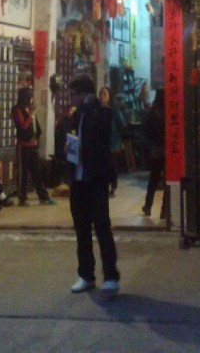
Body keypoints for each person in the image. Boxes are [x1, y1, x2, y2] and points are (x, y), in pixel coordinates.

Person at [67, 75, 120, 294]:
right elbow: (72, 139)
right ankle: (86, 274)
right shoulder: (77, 115)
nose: (71, 99)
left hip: (96, 178)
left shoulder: (101, 112)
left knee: (102, 227)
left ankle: (111, 275)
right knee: (82, 229)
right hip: (78, 179)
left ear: (84, 94)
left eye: (73, 95)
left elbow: (102, 139)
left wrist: (89, 106)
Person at [11, 86, 54, 206]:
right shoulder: (17, 110)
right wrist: (31, 115)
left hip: (33, 145)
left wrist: (37, 136)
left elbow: (35, 125)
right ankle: (22, 198)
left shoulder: (29, 108)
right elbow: (22, 126)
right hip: (24, 146)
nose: (31, 99)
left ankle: (43, 197)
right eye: (30, 96)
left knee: (37, 171)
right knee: (23, 173)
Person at [99, 86, 126, 197]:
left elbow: (122, 125)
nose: (102, 96)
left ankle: (113, 187)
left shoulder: (113, 110)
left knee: (112, 166)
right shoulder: (97, 110)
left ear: (109, 96)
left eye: (104, 94)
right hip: (101, 143)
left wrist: (117, 137)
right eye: (100, 93)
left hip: (112, 143)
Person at [142, 88, 165, 218]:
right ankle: (164, 209)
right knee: (167, 180)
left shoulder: (152, 111)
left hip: (156, 149)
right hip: (168, 149)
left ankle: (148, 206)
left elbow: (145, 129)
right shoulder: (169, 110)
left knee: (153, 179)